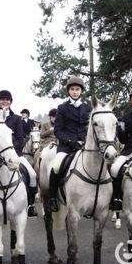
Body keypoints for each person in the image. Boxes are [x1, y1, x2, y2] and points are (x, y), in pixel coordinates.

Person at [47, 76, 92, 212]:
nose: (75, 92)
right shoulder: (62, 108)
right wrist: (72, 142)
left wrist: (84, 141)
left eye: (77, 89)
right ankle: (53, 198)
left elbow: (89, 128)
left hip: (85, 145)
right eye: (72, 89)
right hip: (66, 146)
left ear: (81, 91)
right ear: (68, 91)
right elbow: (58, 130)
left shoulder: (87, 108)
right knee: (56, 166)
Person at [0, 90, 38, 217]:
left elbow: (20, 139)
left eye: (7, 99)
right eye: (2, 99)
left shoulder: (17, 119)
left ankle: (30, 205)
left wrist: (11, 152)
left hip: (15, 155)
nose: (5, 101)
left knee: (33, 175)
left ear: (11, 102)